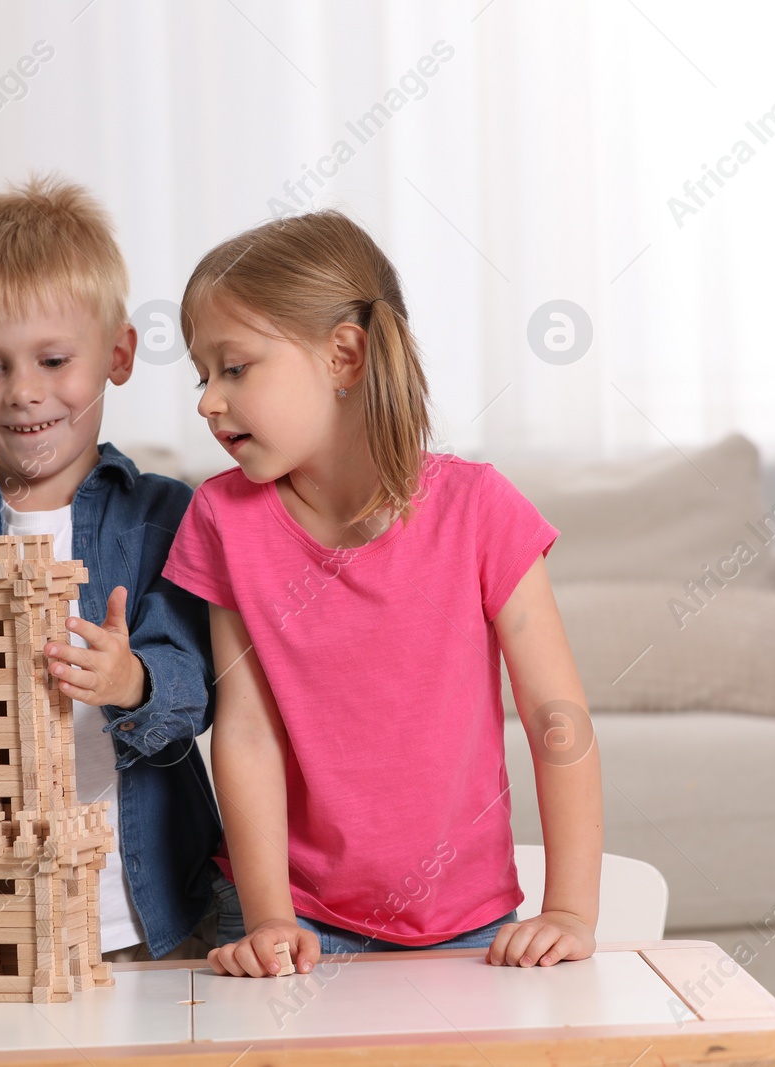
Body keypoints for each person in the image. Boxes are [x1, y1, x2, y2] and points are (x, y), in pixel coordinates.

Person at [161, 210, 602, 978]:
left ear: (344, 356)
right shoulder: (221, 519)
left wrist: (568, 909)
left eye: (234, 368)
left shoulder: (479, 511)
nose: (208, 401)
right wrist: (267, 916)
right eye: (204, 375)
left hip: (469, 927)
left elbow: (554, 716)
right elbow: (247, 730)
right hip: (288, 922)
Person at [0, 173, 239, 961]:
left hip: (149, 910)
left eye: (55, 359)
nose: (25, 392)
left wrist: (131, 678)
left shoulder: (166, 516)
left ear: (119, 354)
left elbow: (199, 692)